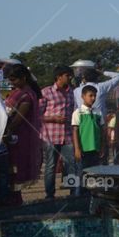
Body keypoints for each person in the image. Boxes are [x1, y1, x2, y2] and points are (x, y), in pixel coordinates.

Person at [1, 63, 42, 203]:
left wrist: (7, 131)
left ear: (23, 78)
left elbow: (19, 118)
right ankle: (11, 199)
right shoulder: (17, 92)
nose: (11, 82)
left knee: (14, 169)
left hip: (18, 137)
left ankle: (14, 200)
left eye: (14, 80)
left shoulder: (26, 95)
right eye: (10, 80)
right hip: (12, 135)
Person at [39, 65, 78, 199]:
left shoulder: (71, 93)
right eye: (67, 75)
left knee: (71, 164)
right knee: (51, 166)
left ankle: (73, 193)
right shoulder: (46, 92)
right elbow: (36, 116)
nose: (70, 78)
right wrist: (53, 118)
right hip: (50, 136)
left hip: (67, 136)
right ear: (59, 77)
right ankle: (50, 195)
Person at [71, 85, 106, 186]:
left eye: (94, 96)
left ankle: (91, 196)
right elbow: (75, 131)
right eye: (90, 96)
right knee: (82, 174)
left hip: (96, 148)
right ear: (83, 96)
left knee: (94, 174)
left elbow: (102, 130)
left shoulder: (98, 112)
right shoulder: (78, 113)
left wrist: (103, 147)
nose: (93, 98)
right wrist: (77, 149)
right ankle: (79, 196)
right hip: (83, 149)